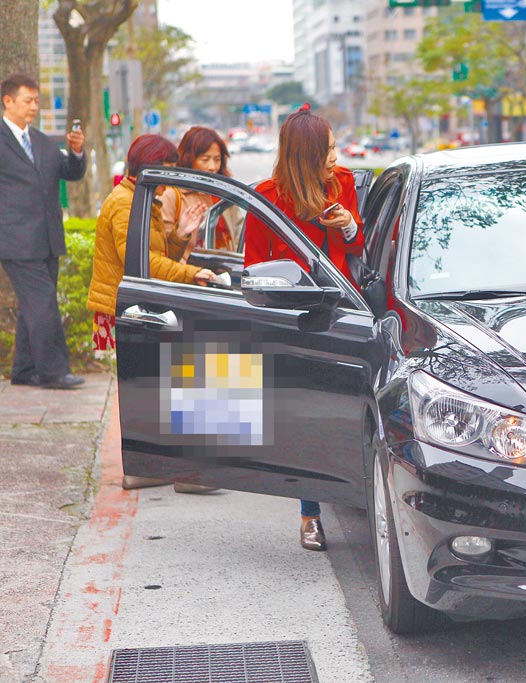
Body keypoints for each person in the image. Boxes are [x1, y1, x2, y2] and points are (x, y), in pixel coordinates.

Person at [243, 104, 363, 551]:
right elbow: (253, 267)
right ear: (305, 153)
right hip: (293, 319)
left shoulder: (344, 183)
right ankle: (310, 513)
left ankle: (356, 493)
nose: (336, 155)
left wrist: (349, 226)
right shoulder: (268, 198)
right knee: (307, 415)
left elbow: (361, 246)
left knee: (346, 409)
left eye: (335, 147)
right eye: (328, 149)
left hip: (343, 311)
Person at [85, 134, 218, 492]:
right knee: (156, 383)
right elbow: (141, 261)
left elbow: (153, 256)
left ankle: (153, 467)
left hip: (133, 303)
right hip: (125, 306)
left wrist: (181, 237)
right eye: (168, 169)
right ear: (151, 167)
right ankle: (175, 470)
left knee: (150, 384)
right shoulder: (125, 204)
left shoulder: (142, 197)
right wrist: (192, 272)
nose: (171, 177)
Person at [0, 73, 87, 389]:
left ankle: (23, 371)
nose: (34, 107)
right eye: (28, 101)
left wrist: (76, 152)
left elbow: (70, 173)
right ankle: (53, 372)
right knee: (44, 304)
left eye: (37, 101)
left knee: (33, 307)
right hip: (15, 241)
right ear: (8, 101)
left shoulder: (42, 141)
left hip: (49, 239)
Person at [161, 127, 239, 259]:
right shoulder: (172, 195)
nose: (212, 167)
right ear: (188, 159)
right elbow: (163, 250)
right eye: (205, 159)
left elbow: (238, 235)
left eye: (217, 159)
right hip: (189, 276)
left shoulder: (225, 194)